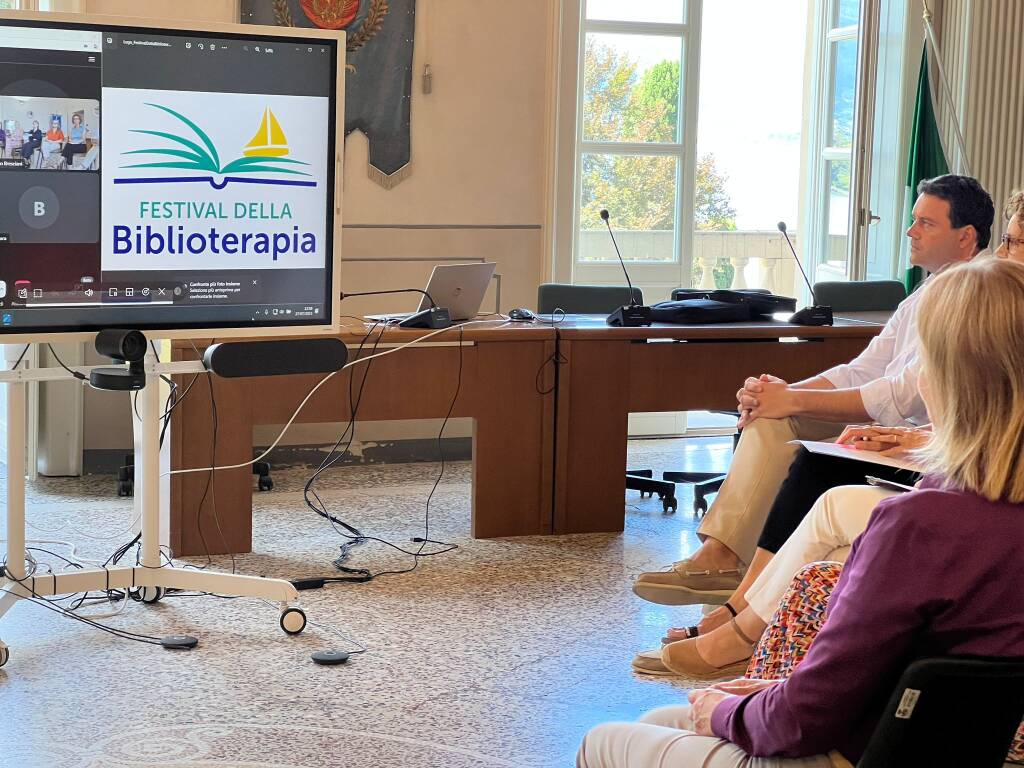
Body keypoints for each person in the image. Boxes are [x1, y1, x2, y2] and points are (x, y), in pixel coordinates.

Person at [578, 256, 1024, 767]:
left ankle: (731, 604)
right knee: (661, 719)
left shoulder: (918, 525)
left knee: (605, 740)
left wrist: (726, 713)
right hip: (955, 742)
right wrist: (769, 695)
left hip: (855, 754)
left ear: (945, 380)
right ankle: (729, 594)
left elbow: (802, 721)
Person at [648, 187, 1024, 670]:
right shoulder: (935, 293)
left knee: (816, 472)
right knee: (772, 421)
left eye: (1014, 243)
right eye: (1007, 241)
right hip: (939, 454)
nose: (910, 231)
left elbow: (915, 398)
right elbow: (866, 370)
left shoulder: (988, 305)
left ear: (965, 236)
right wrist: (784, 393)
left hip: (952, 468)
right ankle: (723, 564)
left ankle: (738, 623)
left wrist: (915, 438)